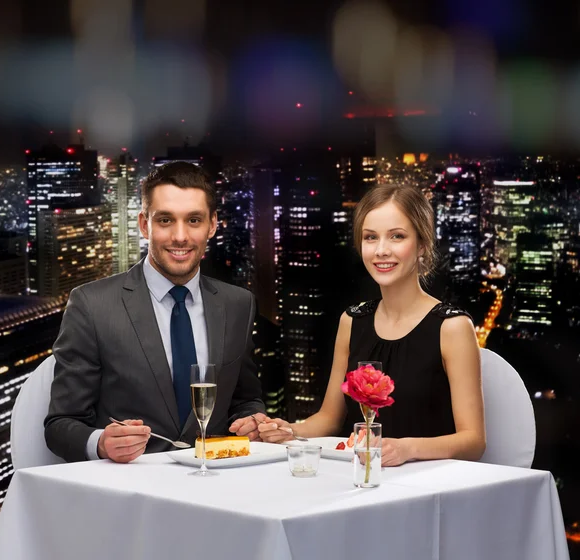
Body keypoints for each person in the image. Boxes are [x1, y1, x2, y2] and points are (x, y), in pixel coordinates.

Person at [45, 162, 267, 463]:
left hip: (218, 489)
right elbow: (60, 425)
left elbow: (245, 400)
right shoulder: (92, 305)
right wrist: (100, 443)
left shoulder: (239, 304)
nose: (180, 236)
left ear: (212, 225)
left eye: (193, 220)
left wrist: (253, 421)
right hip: (130, 496)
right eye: (165, 220)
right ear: (144, 224)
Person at [258, 183, 486, 466]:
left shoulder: (453, 327)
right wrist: (289, 431)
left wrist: (405, 449)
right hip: (361, 479)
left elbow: (473, 441)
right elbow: (329, 419)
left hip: (430, 486)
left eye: (397, 237)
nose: (381, 250)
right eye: (370, 238)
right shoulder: (351, 321)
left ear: (422, 246)